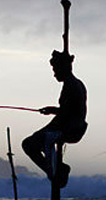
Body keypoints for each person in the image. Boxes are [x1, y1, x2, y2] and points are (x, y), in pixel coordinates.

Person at [22, 49, 87, 188]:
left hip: (69, 128)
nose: (54, 74)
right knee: (32, 142)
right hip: (70, 126)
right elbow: (67, 111)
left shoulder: (71, 85)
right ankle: (57, 168)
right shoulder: (76, 83)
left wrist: (52, 117)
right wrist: (53, 110)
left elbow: (67, 114)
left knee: (28, 144)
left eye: (56, 69)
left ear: (63, 67)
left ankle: (55, 171)